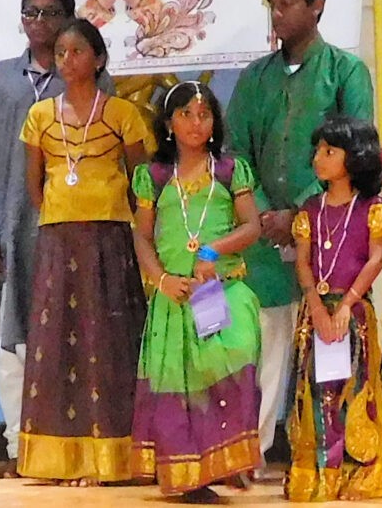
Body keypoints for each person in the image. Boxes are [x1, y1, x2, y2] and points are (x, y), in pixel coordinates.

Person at [226, 0, 375, 458]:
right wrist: (264, 214)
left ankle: (328, 453)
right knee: (265, 344)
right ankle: (253, 450)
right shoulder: (255, 78)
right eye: (271, 4)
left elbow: (358, 146)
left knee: (327, 339)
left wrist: (302, 212)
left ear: (317, 6)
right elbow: (236, 153)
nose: (277, 14)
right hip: (264, 237)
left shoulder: (345, 72)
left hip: (332, 232)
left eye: (286, 3)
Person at [18, 18, 151, 484]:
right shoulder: (39, 116)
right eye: (60, 53)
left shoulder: (122, 113)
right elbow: (34, 184)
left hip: (109, 239)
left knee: (107, 341)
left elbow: (141, 181)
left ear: (98, 59)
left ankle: (110, 458)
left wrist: (124, 224)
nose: (66, 60)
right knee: (56, 343)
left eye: (76, 52)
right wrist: (61, 215)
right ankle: (57, 459)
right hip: (57, 239)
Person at [130, 81, 264, 500]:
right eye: (185, 114)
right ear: (168, 123)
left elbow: (252, 227)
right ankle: (190, 476)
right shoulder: (153, 177)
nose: (195, 123)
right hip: (174, 297)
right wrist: (162, 280)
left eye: (204, 115)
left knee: (234, 359)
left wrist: (214, 250)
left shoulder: (229, 171)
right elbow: (142, 237)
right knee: (180, 386)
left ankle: (226, 461)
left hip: (220, 290)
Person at [0, 0, 81, 462]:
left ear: (69, 20)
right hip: (11, 233)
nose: (38, 22)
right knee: (10, 340)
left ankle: (67, 442)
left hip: (72, 233)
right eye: (30, 13)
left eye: (50, 13)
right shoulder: (1, 79)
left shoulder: (87, 79)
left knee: (70, 335)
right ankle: (19, 446)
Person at [288, 115, 382, 502]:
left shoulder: (372, 208)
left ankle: (360, 472)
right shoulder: (310, 209)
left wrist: (347, 303)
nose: (319, 158)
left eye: (329, 151)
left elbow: (375, 258)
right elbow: (303, 263)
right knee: (317, 393)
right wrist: (316, 307)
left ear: (355, 156)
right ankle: (318, 472)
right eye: (318, 150)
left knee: (356, 392)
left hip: (354, 315)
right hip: (316, 314)